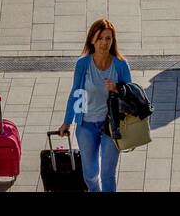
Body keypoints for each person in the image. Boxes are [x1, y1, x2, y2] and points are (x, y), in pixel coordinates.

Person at [57, 18, 133, 192]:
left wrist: (117, 88)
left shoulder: (120, 64)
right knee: (90, 175)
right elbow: (76, 93)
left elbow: (131, 92)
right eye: (100, 38)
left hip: (111, 126)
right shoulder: (83, 64)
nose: (104, 43)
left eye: (108, 39)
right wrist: (67, 121)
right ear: (92, 39)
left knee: (107, 174)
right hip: (86, 125)